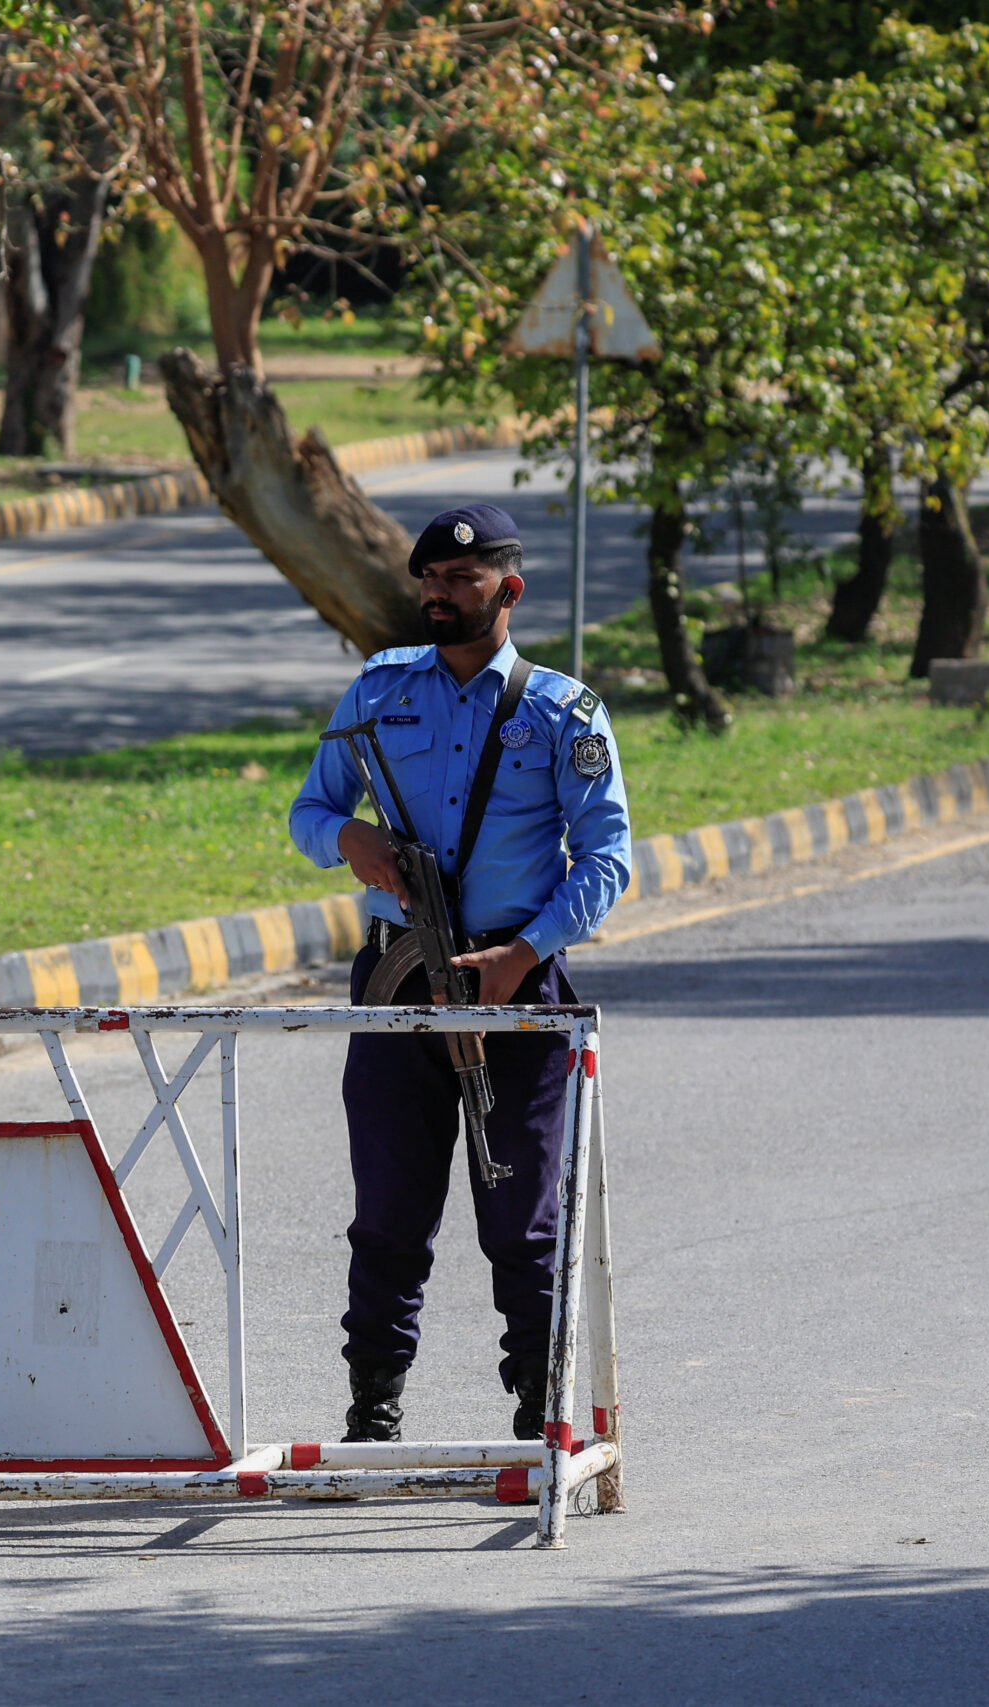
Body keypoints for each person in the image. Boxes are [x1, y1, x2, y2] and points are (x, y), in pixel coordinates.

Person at [286, 503, 631, 1443]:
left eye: (460, 581)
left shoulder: (565, 713)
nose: (437, 595)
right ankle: (374, 1402)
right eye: (428, 580)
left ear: (508, 590)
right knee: (389, 1206)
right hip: (397, 982)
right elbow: (309, 812)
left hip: (516, 987)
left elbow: (608, 861)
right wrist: (348, 836)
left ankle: (538, 1399)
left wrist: (522, 954)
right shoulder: (379, 689)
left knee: (521, 1211)